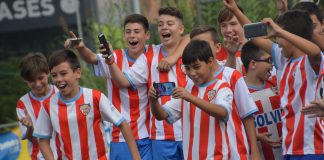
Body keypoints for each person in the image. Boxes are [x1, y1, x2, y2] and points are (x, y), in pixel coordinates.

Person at [223, 0, 324, 158]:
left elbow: (316, 52)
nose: (276, 41)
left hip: (312, 148)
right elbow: (255, 38)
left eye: (279, 36)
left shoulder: (310, 62)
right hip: (289, 147)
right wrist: (235, 10)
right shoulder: (283, 59)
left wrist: (281, 31)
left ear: (291, 36)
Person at [64, 14, 152, 160]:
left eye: (137, 31)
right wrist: (81, 48)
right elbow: (92, 58)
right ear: (124, 35)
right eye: (128, 31)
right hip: (120, 137)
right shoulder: (114, 57)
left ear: (147, 35)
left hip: (148, 136)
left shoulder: (153, 56)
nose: (132, 35)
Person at [103, 7, 187, 160]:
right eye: (160, 24)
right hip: (161, 137)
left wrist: (172, 58)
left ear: (180, 28)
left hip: (191, 132)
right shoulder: (149, 55)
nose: (164, 27)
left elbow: (194, 36)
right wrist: (110, 61)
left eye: (170, 23)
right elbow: (122, 81)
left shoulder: (191, 51)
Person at [32, 49, 141, 160]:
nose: (59, 79)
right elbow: (43, 141)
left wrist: (136, 157)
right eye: (54, 75)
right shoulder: (48, 105)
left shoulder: (95, 97)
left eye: (63, 74)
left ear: (77, 73)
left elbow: (122, 124)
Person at [149, 40, 233, 159]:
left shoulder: (221, 87)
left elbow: (223, 112)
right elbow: (161, 115)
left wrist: (191, 98)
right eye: (187, 68)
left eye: (196, 67)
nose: (192, 73)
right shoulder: (187, 90)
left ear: (210, 62)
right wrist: (153, 101)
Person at [190, 26, 260, 160]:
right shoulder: (191, 83)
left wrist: (255, 151)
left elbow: (247, 115)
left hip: (234, 153)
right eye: (194, 45)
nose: (198, 50)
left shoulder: (232, 76)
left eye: (203, 44)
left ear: (217, 47)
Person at [241, 41, 283, 160]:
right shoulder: (238, 91)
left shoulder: (276, 83)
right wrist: (257, 136)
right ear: (253, 64)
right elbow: (234, 128)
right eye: (268, 60)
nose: (272, 65)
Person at [16, 52, 58, 160]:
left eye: (40, 78)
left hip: (67, 154)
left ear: (48, 72)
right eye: (32, 81)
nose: (38, 84)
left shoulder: (61, 93)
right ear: (25, 81)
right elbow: (32, 139)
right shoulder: (23, 104)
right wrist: (30, 128)